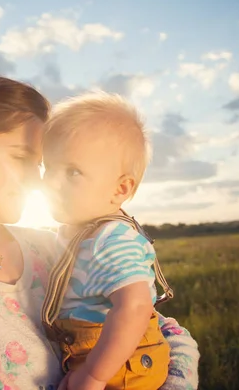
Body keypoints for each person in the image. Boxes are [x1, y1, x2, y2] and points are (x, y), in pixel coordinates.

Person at [0, 75, 200, 390]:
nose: (38, 182)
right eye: (21, 158)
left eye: (40, 165)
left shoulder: (54, 247)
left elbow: (166, 333)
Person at [41, 92, 179, 390]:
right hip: (95, 354)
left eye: (73, 172)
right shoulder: (76, 232)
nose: (50, 181)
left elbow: (135, 306)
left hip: (121, 365)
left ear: (119, 189)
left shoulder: (111, 238)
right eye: (47, 167)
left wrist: (93, 374)